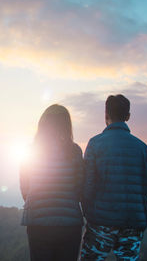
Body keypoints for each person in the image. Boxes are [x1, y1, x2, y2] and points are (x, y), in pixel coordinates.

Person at [80, 94, 147, 261]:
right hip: (133, 223)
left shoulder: (95, 144)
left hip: (100, 222)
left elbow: (88, 184)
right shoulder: (144, 149)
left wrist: (88, 212)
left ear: (106, 115)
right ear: (128, 116)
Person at [20, 104, 84, 261]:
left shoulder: (31, 150)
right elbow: (80, 187)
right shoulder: (75, 151)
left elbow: (25, 189)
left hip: (38, 223)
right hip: (69, 224)